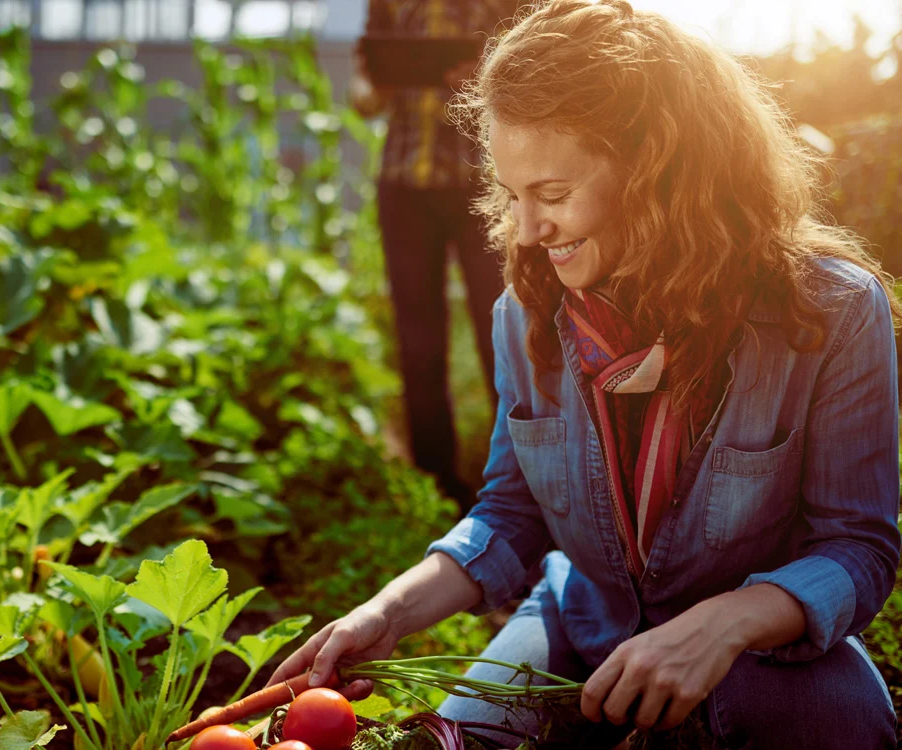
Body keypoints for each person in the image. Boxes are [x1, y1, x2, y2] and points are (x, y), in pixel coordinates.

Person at [270, 1, 901, 747]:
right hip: (582, 622)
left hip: (762, 649)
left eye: (553, 195)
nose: (527, 231)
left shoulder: (830, 313)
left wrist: (725, 624)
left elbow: (858, 548)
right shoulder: (525, 313)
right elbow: (512, 512)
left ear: (659, 174)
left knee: (849, 730)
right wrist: (389, 612)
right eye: (512, 195)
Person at [351, 0, 523, 511]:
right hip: (404, 186)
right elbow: (362, 94)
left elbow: (536, 74)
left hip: (484, 186)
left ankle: (518, 479)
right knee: (418, 342)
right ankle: (436, 484)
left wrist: (484, 79)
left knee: (502, 332)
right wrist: (380, 86)